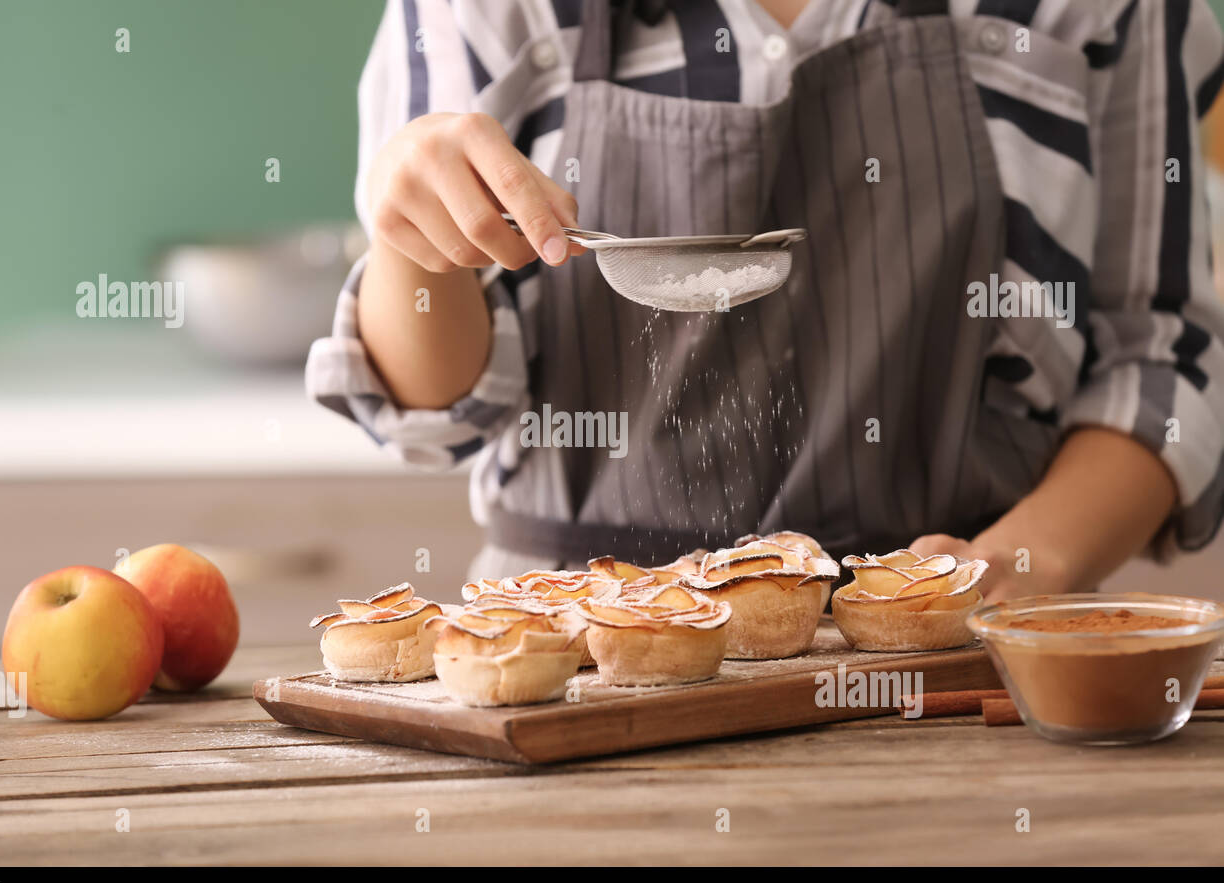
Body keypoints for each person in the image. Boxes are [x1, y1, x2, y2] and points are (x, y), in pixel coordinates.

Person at [307, 0, 1224, 601]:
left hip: (956, 661)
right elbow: (437, 416)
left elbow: (1165, 355)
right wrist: (415, 255)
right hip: (574, 674)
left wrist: (1029, 561)